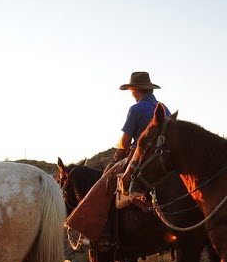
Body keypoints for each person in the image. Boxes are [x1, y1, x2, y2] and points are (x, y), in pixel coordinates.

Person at [64, 72, 167, 247]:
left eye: (131, 90)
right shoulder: (163, 108)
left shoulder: (136, 109)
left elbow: (125, 142)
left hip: (140, 155)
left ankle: (105, 233)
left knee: (107, 181)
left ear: (135, 90)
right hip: (161, 158)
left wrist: (118, 153)